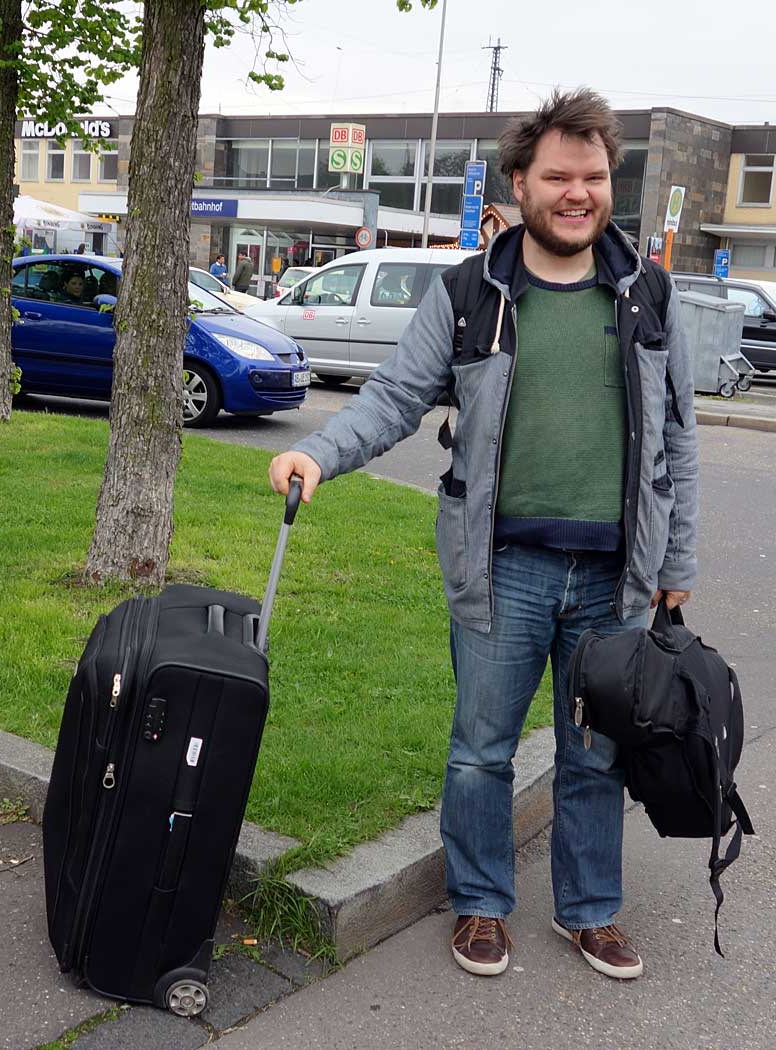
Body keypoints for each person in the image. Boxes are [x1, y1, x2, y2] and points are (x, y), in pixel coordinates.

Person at [268, 88, 698, 983]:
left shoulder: (649, 294)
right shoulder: (472, 293)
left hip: (616, 577)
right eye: (557, 177)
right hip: (502, 570)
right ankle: (481, 902)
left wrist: (677, 562)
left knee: (596, 755)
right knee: (481, 750)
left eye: (592, 177)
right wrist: (318, 454)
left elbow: (678, 435)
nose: (576, 193)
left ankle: (589, 912)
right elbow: (392, 400)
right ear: (520, 181)